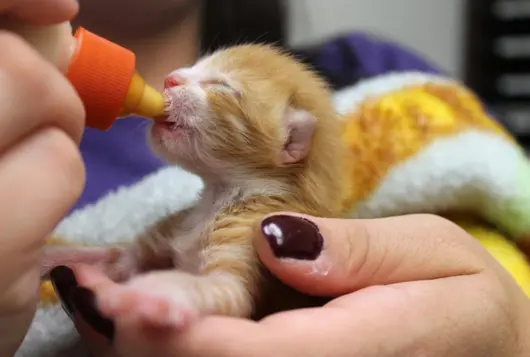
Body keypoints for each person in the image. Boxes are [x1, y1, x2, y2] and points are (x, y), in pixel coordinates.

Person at [0, 0, 528, 356]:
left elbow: (227, 287)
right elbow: (124, 258)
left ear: (291, 144)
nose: (176, 82)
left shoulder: (380, 81)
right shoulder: (198, 212)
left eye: (220, 88)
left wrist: (517, 329)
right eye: (198, 74)